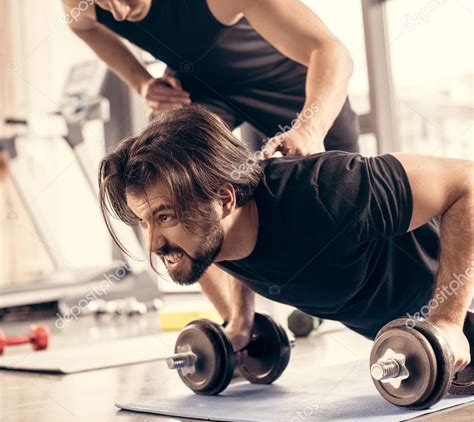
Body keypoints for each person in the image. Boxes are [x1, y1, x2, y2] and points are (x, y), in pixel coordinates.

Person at [56, 0, 358, 315]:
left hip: (288, 83)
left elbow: (331, 51)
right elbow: (87, 29)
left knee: (348, 210)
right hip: (200, 89)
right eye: (107, 1)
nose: (121, 13)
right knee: (169, 182)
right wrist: (142, 82)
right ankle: (239, 324)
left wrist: (309, 127)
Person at [98, 106, 473, 372]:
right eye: (145, 222)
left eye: (164, 216)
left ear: (225, 200)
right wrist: (240, 320)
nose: (154, 244)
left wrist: (448, 320)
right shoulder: (210, 235)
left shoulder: (329, 189)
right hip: (440, 354)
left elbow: (467, 183)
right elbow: (238, 251)